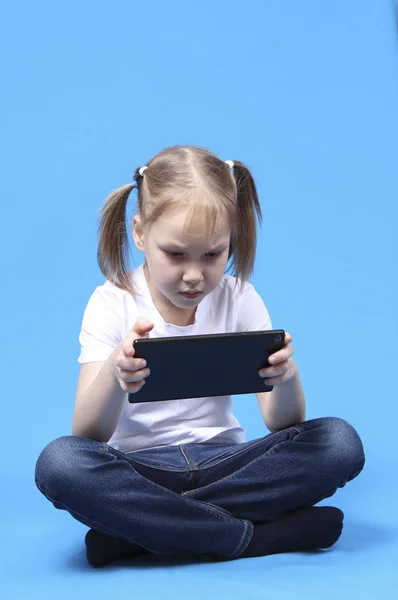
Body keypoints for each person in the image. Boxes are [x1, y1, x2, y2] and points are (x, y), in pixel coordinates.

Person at [34, 145, 365, 567]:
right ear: (140, 234)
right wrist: (117, 375)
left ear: (230, 241)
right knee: (60, 463)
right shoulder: (111, 301)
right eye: (175, 254)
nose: (194, 275)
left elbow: (282, 423)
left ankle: (147, 531)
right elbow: (87, 433)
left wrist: (287, 376)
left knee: (339, 442)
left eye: (213, 255)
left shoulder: (240, 298)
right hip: (140, 470)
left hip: (227, 463)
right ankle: (253, 537)